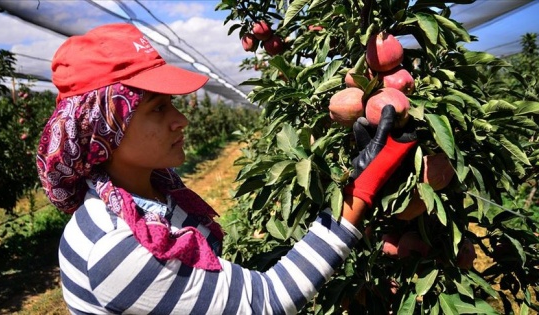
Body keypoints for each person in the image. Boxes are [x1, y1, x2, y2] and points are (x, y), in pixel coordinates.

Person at [36, 23, 416, 315]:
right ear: (104, 128)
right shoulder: (118, 248)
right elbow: (266, 300)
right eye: (157, 108)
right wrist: (358, 192)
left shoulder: (151, 193)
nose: (181, 120)